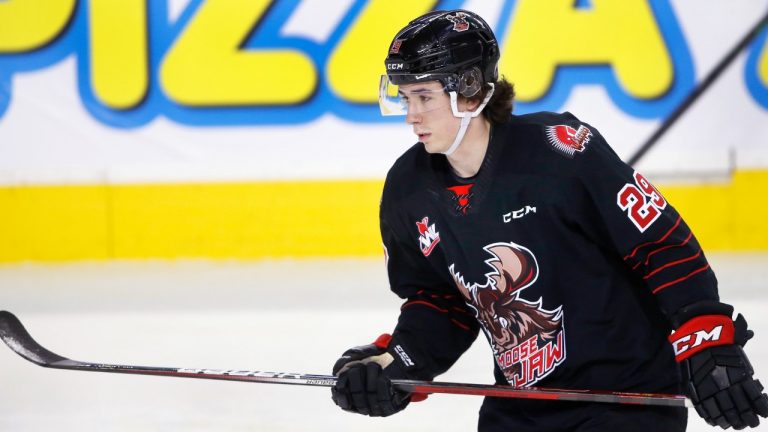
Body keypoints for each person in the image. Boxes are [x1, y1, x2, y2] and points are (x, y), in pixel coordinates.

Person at [330, 9, 768, 431]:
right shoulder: (408, 190)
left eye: (424, 96)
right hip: (521, 407)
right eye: (405, 97)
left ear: (469, 89)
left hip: (626, 401)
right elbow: (442, 302)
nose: (411, 115)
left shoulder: (560, 150)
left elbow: (659, 243)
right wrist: (399, 361)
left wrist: (704, 336)